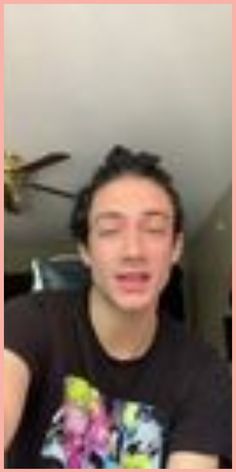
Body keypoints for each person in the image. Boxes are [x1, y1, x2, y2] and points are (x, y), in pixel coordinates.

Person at [4, 145, 231, 468]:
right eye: (110, 230)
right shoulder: (27, 322)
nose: (133, 250)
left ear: (176, 247)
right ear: (85, 250)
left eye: (154, 229)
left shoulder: (204, 371)